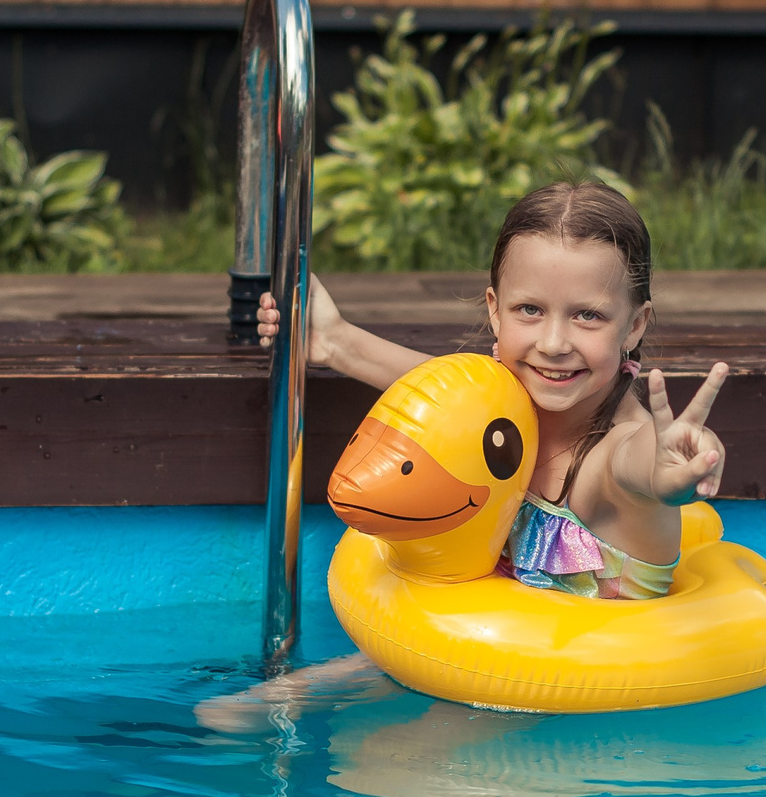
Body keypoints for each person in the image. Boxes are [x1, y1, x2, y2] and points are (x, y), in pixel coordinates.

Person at [261, 180, 731, 600]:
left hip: (590, 690)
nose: (553, 344)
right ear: (495, 310)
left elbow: (640, 466)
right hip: (476, 671)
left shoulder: (615, 457)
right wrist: (333, 341)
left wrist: (676, 466)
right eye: (529, 309)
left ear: (634, 325)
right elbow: (432, 389)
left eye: (588, 315)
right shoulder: (503, 406)